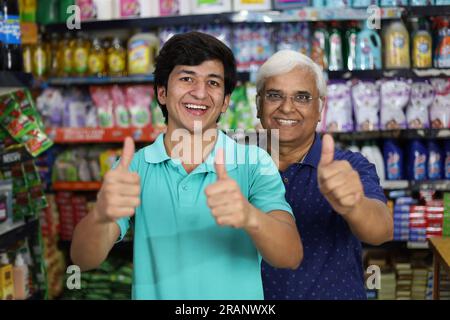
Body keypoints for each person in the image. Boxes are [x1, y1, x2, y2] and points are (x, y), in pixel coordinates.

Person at [70, 32, 302, 300]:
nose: (200, 92)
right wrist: (101, 215)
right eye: (186, 78)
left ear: (225, 101)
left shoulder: (255, 162)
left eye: (213, 82)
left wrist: (249, 216)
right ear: (162, 92)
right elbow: (83, 260)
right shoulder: (133, 167)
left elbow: (290, 255)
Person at [256, 50, 393, 300]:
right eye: (274, 95)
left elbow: (381, 230)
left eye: (302, 97)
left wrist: (354, 205)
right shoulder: (237, 166)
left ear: (320, 109)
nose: (287, 108)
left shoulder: (349, 165)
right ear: (258, 105)